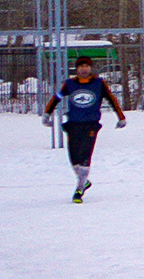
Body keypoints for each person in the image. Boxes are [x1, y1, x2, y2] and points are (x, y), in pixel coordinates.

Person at [42, 56, 127, 204]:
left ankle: (79, 189)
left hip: (91, 125)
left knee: (85, 155)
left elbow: (112, 99)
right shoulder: (69, 84)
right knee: (74, 159)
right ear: (77, 69)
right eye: (81, 66)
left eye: (87, 66)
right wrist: (46, 114)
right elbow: (57, 98)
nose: (84, 69)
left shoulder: (99, 84)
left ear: (91, 68)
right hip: (74, 124)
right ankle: (84, 180)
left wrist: (120, 117)